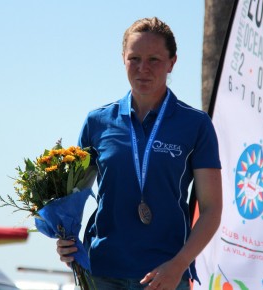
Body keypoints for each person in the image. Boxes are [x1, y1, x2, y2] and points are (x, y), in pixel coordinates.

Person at [57, 17, 222, 290]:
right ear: (123, 58)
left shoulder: (196, 125)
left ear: (172, 62)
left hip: (164, 275)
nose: (143, 69)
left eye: (154, 59)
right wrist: (65, 238)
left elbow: (212, 209)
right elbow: (74, 198)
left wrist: (179, 265)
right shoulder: (97, 122)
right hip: (101, 273)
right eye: (134, 58)